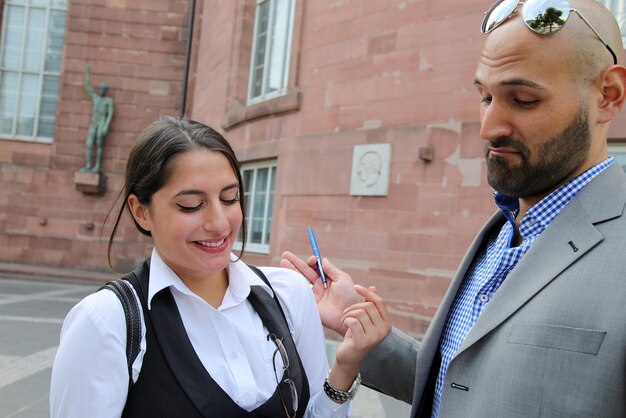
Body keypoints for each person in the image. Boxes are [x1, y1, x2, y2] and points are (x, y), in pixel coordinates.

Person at [282, 0, 626, 416]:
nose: (488, 127)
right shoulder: (499, 232)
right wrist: (364, 332)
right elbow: (463, 385)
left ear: (608, 95)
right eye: (485, 97)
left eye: (523, 99)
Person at [51, 116, 391, 417]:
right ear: (141, 211)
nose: (218, 222)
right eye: (191, 205)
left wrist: (346, 365)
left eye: (230, 199)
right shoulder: (107, 321)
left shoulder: (289, 295)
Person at [80, 63, 114, 173]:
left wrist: (106, 126)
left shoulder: (108, 101)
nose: (102, 91)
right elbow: (87, 85)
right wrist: (87, 72)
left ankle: (97, 167)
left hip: (101, 124)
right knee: (89, 143)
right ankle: (89, 165)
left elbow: (110, 114)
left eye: (104, 89)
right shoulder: (95, 98)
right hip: (94, 123)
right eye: (101, 89)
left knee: (99, 145)